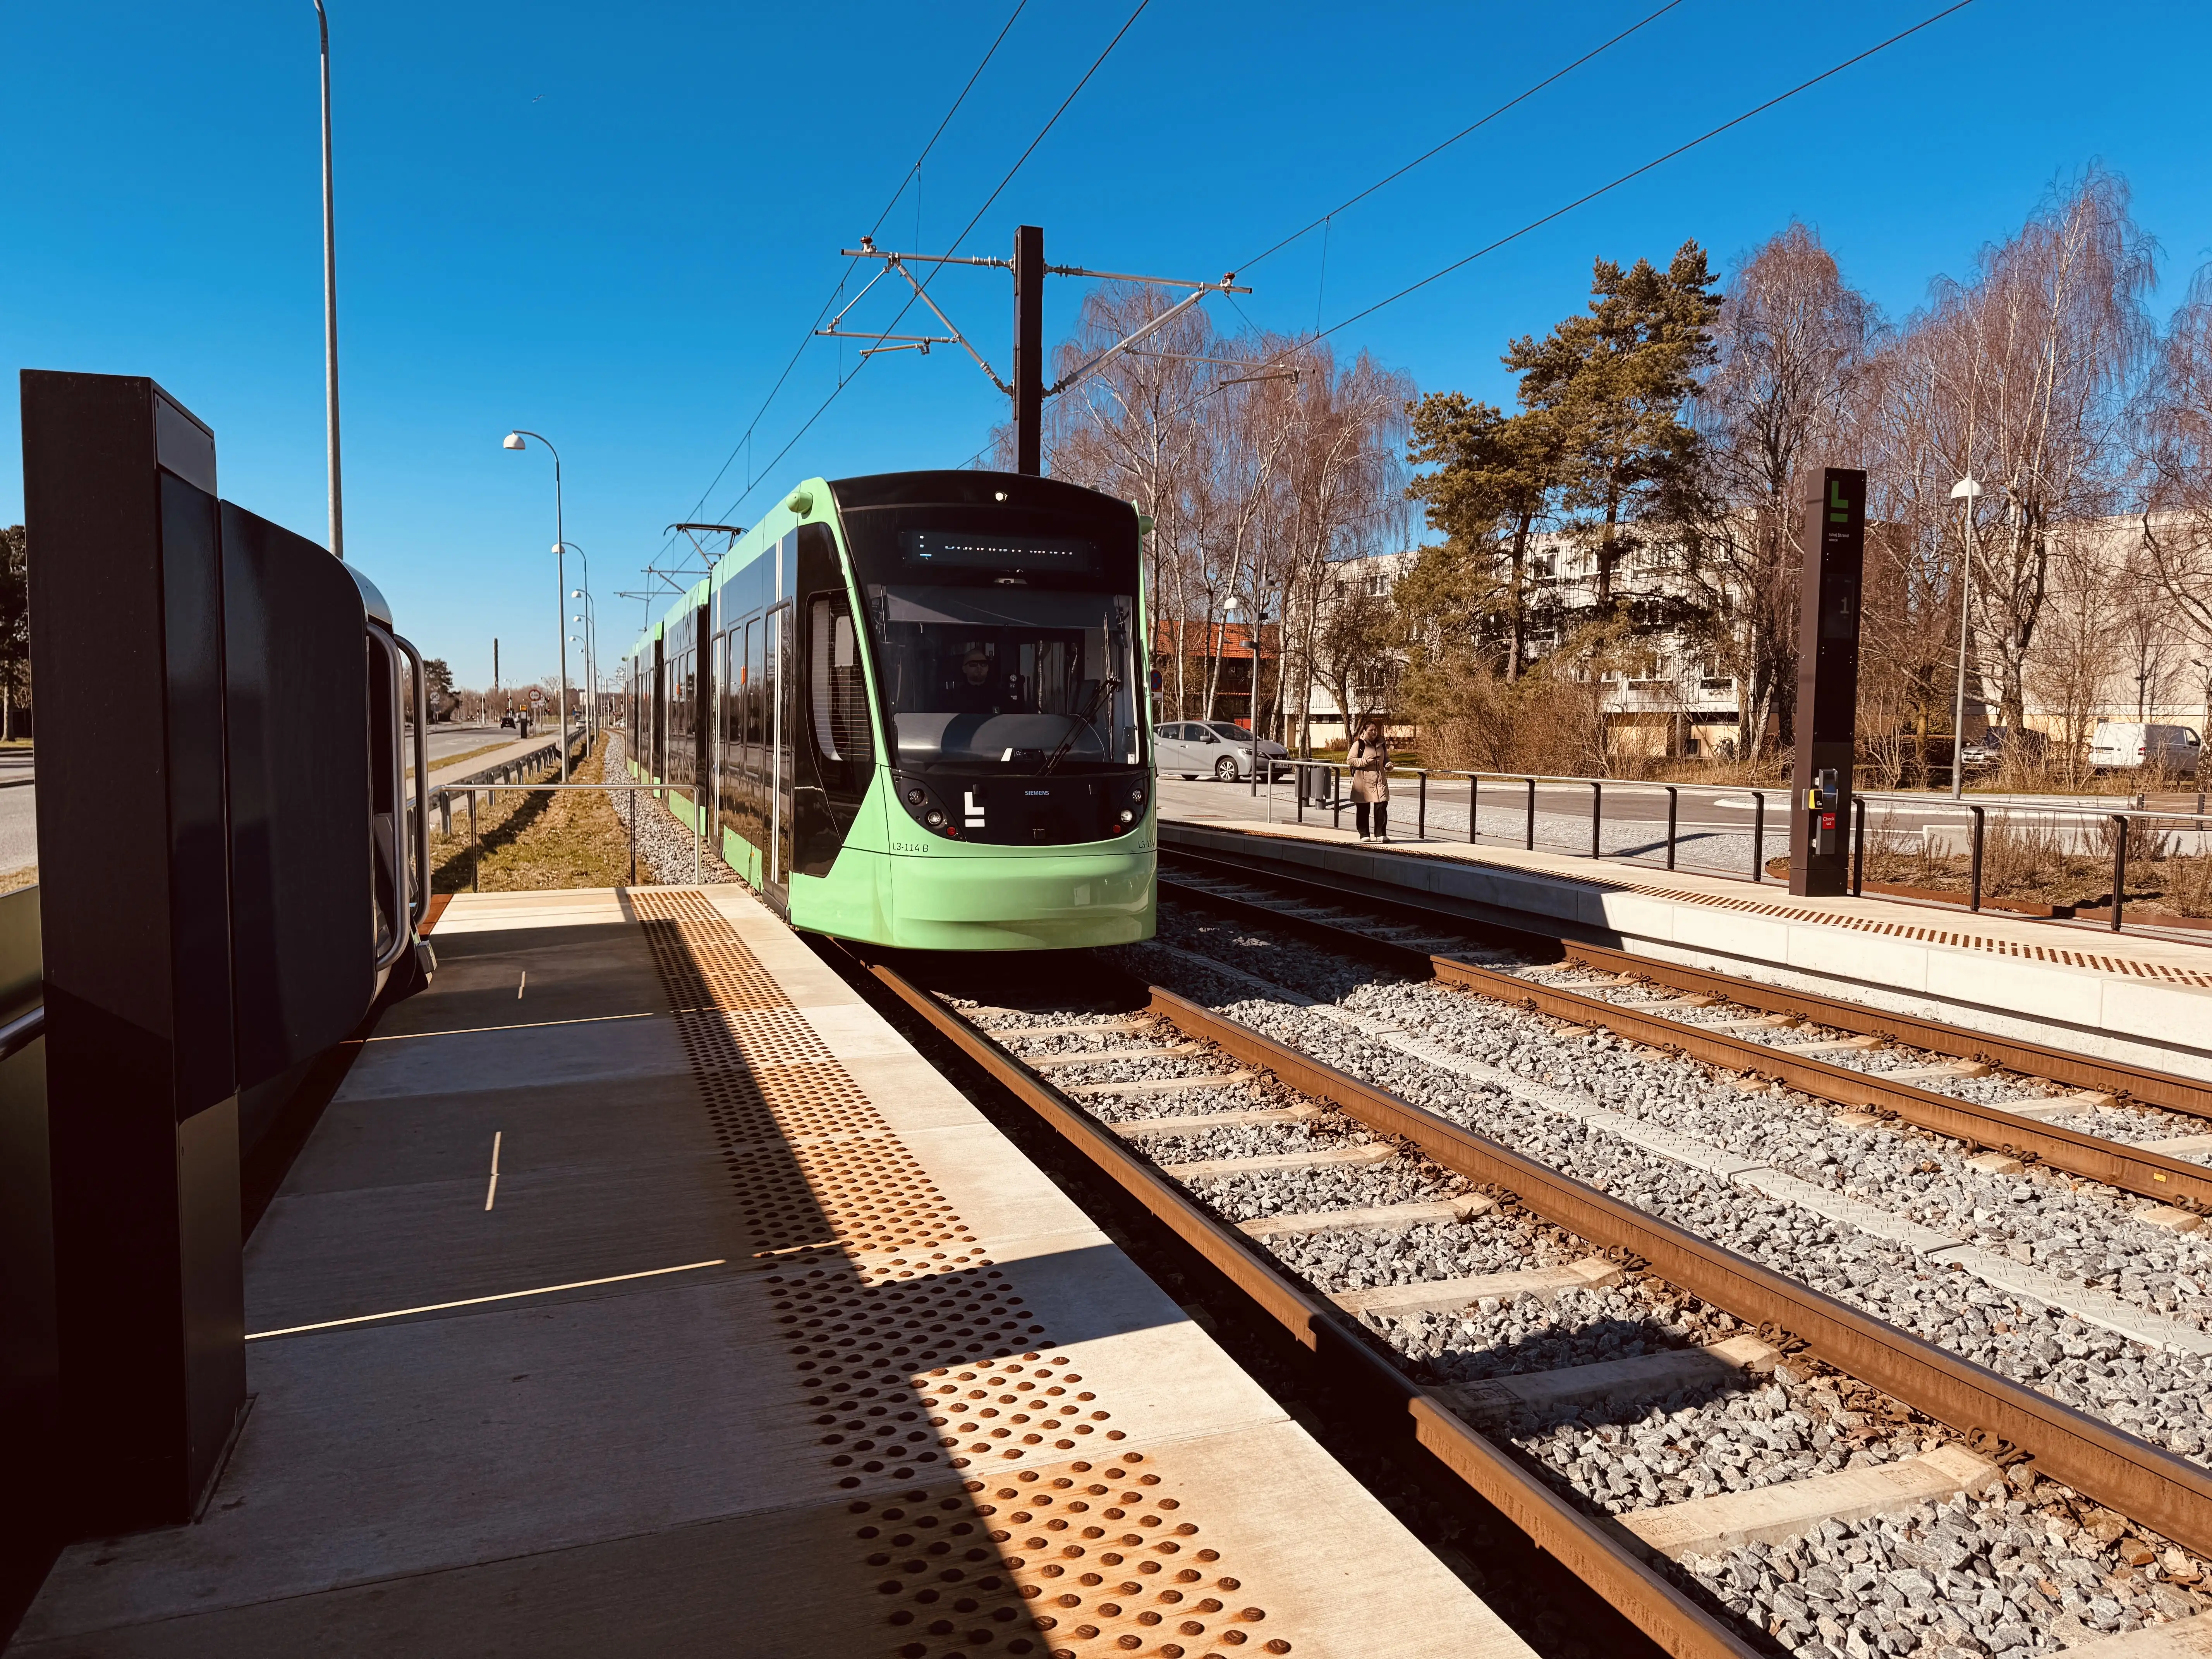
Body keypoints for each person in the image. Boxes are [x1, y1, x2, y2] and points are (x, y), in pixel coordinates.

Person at [1349, 720, 1391, 842]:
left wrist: (1388, 764)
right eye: (1371, 730)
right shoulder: (1359, 745)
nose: (1374, 732)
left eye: (1375, 730)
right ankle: (1364, 834)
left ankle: (1381, 834)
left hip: (1380, 781)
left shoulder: (1382, 744)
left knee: (1382, 806)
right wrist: (1366, 761)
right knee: (1363, 808)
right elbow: (1351, 760)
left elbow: (1386, 759)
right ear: (1365, 731)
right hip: (1364, 780)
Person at [946, 646, 1003, 714]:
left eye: (983, 664)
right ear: (964, 669)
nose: (979, 668)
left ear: (988, 668)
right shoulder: (953, 699)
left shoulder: (1001, 697)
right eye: (973, 664)